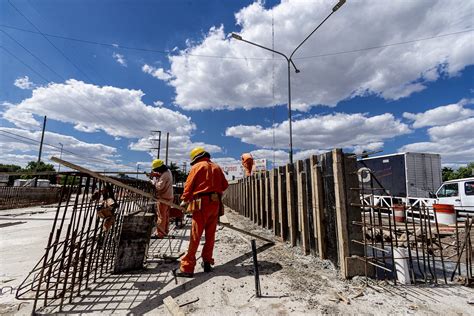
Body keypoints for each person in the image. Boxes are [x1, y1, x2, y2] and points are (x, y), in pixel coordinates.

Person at [174, 147, 228, 278]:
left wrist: (184, 201)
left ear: (195, 158)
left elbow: (188, 186)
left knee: (195, 235)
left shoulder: (196, 167)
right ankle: (207, 262)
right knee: (210, 235)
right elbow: (225, 186)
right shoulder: (217, 167)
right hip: (215, 203)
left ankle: (187, 268)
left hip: (201, 204)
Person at [150, 159, 174, 238]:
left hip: (163, 198)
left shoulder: (164, 175)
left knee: (161, 216)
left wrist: (153, 182)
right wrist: (156, 175)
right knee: (166, 215)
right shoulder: (168, 171)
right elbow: (162, 176)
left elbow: (159, 187)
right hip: (169, 197)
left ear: (159, 169)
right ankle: (165, 231)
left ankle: (160, 234)